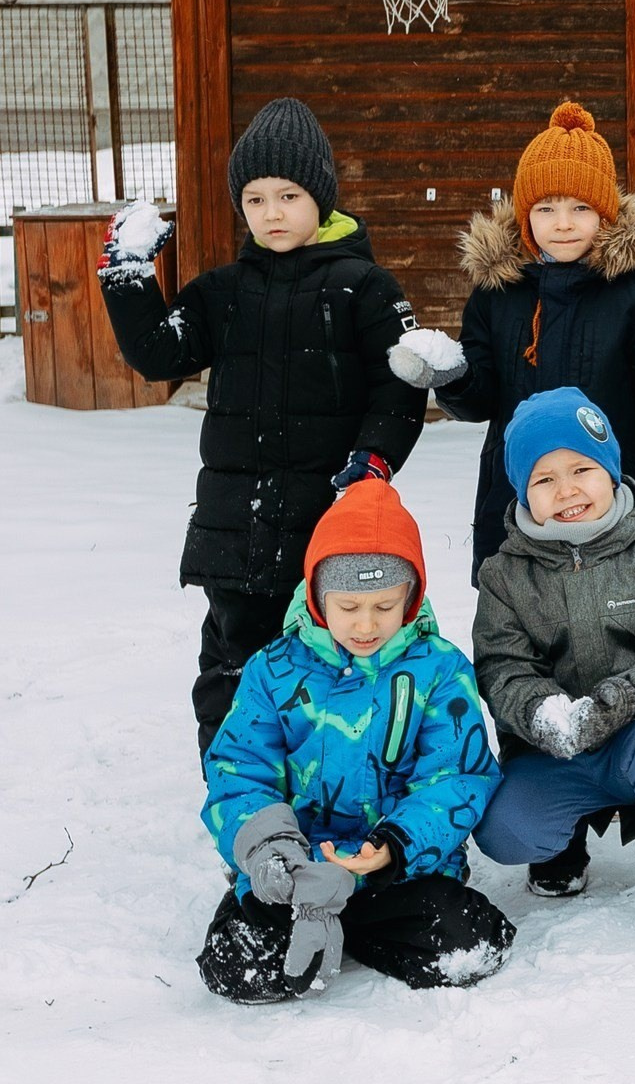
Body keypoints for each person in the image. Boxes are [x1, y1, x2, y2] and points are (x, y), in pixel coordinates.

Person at [97, 96, 426, 748]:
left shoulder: (366, 288)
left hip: (327, 522)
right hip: (235, 527)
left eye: (288, 196)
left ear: (321, 199)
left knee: (327, 668)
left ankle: (324, 792)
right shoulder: (223, 291)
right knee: (232, 669)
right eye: (254, 199)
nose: (272, 213)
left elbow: (401, 388)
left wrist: (373, 464)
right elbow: (160, 353)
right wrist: (129, 273)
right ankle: (241, 800)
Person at [197, 478, 510, 1002]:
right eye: (348, 607)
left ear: (410, 598)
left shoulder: (440, 669)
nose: (366, 624)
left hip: (394, 872)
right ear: (318, 597)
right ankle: (319, 921)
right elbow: (237, 770)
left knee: (472, 943)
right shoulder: (273, 670)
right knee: (236, 968)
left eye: (385, 606)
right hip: (299, 874)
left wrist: (391, 849)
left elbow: (458, 775)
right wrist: (276, 855)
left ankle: (351, 929)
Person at [401, 101, 635, 578]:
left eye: (581, 208)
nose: (563, 223)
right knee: (517, 622)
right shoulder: (497, 294)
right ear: (524, 215)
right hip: (514, 498)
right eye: (546, 208)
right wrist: (452, 376)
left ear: (606, 214)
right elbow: (480, 398)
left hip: (609, 502)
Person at [470, 389, 635, 924]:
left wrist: (625, 697)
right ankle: (561, 845)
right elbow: (502, 666)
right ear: (522, 491)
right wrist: (544, 713)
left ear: (609, 470)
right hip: (555, 751)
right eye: (544, 479)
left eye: (581, 469)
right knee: (503, 829)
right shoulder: (504, 574)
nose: (566, 490)